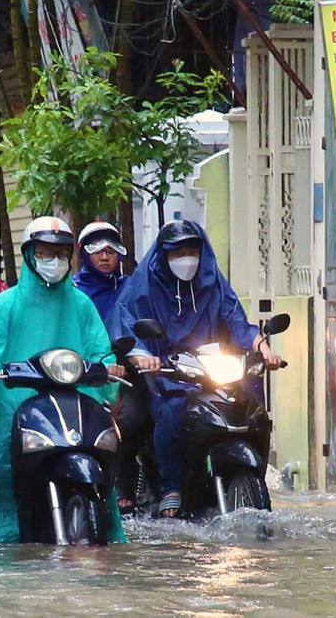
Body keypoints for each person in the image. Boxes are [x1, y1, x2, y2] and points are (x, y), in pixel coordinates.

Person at [0, 216, 127, 543]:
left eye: (62, 253)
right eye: (47, 252)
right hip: (11, 402)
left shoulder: (80, 303)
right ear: (31, 255)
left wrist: (110, 367)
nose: (56, 261)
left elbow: (98, 347)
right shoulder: (6, 303)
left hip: (72, 401)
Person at [110, 219, 283, 517]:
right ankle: (171, 488)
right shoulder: (144, 285)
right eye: (177, 253)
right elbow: (127, 326)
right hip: (163, 372)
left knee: (249, 406)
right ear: (163, 255)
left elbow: (235, 318)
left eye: (191, 251)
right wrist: (142, 357)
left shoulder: (211, 281)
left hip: (209, 370)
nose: (185, 259)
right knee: (169, 411)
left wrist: (263, 348)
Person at [72, 221, 145, 514]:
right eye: (98, 251)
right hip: (80, 373)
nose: (105, 257)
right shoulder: (72, 291)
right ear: (84, 254)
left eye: (111, 251)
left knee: (132, 420)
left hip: (127, 373)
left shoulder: (131, 288)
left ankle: (125, 483)